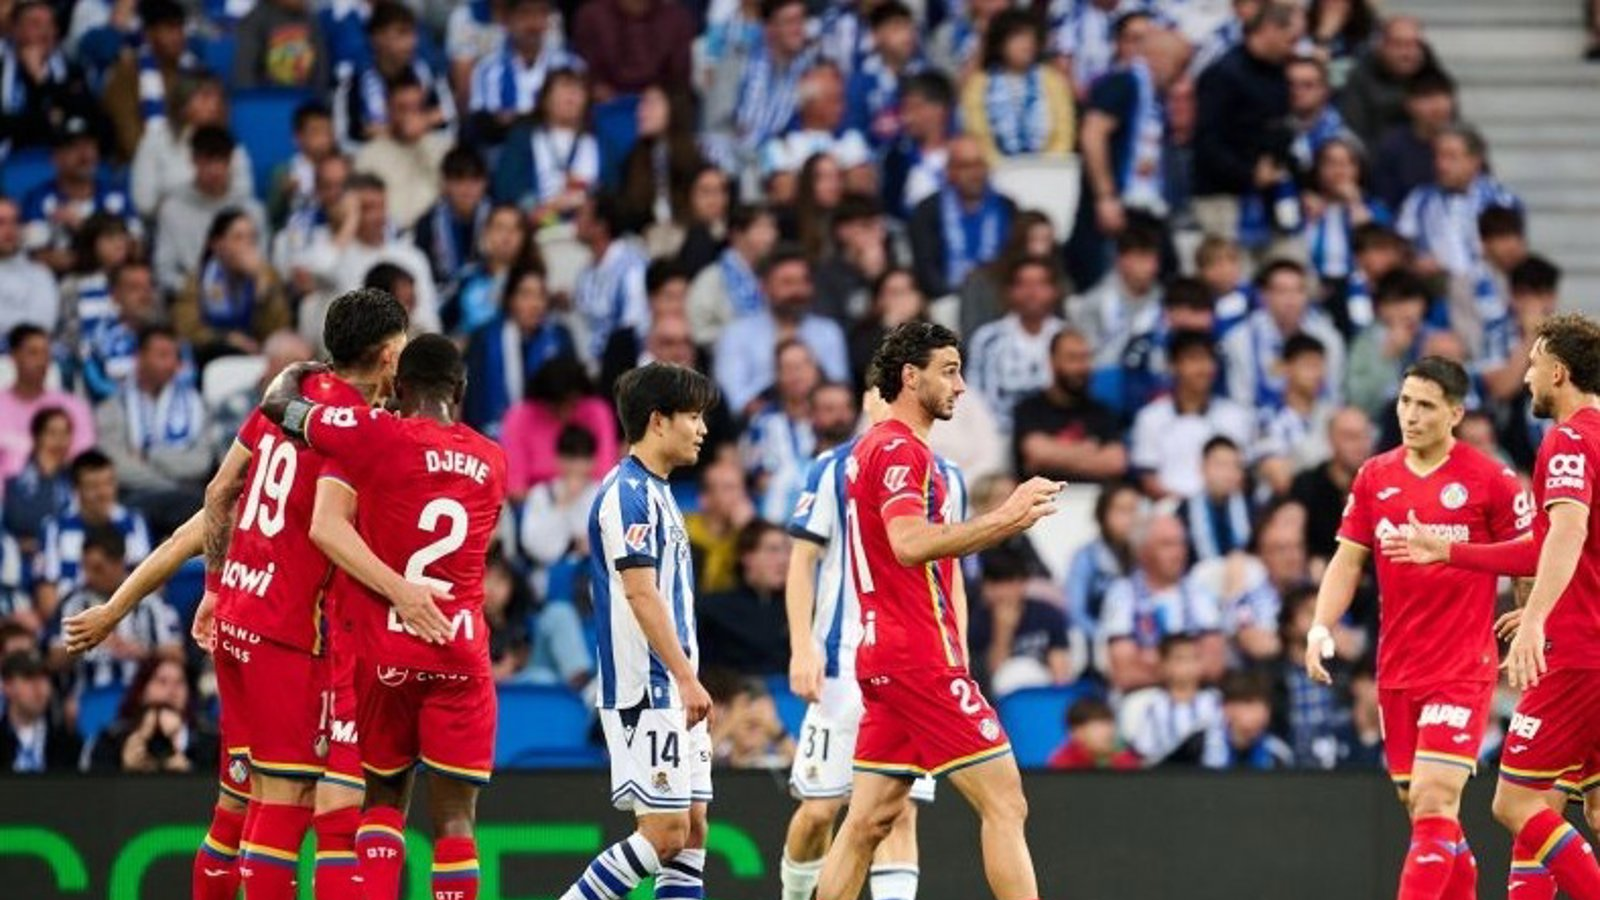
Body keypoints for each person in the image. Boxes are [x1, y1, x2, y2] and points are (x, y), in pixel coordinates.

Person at [814, 321, 1061, 900]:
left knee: (866, 824)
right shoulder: (901, 448)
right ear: (910, 376)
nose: (961, 385)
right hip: (917, 656)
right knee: (1005, 801)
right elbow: (908, 543)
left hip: (882, 655)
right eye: (949, 370)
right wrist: (1007, 517)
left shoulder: (869, 449)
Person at [259, 333, 506, 900]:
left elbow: (279, 405)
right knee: (455, 822)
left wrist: (303, 368)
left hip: (387, 649)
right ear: (461, 390)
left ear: (399, 386)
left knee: (384, 801)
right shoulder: (494, 460)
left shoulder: (378, 436)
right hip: (459, 645)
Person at [182, 288, 410, 900]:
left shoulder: (284, 400)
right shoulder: (362, 428)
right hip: (287, 629)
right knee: (287, 800)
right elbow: (331, 527)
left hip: (233, 611)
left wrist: (212, 585)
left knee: (240, 800)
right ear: (389, 354)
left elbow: (217, 491)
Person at [1383, 315, 1600, 899]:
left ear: (1558, 372)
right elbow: (1543, 545)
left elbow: (1567, 533)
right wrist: (1447, 548)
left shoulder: (1570, 439)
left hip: (1578, 652)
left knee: (1518, 800)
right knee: (1588, 810)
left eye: (1533, 363)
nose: (1526, 376)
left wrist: (1535, 620)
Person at [1306, 356, 1531, 900]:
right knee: (1428, 819)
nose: (1411, 414)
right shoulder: (1376, 476)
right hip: (1398, 669)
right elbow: (1348, 559)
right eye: (1406, 401)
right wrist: (1319, 626)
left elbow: (1528, 555)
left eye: (1426, 405)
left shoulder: (1490, 479)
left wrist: (1531, 617)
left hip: (1462, 668)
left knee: (1434, 799)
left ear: (1454, 413)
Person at [781, 377, 954, 900]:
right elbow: (802, 560)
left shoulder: (944, 475)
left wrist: (954, 654)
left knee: (896, 811)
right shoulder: (836, 466)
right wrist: (802, 646)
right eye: (878, 395)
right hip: (840, 665)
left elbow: (952, 579)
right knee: (818, 810)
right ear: (868, 400)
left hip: (911, 664)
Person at [553, 363, 717, 900]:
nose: (702, 429)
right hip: (648, 687)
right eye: (693, 416)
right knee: (664, 834)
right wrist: (686, 676)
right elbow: (641, 592)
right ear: (658, 420)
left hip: (672, 686)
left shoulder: (661, 492)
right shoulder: (628, 494)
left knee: (692, 833)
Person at [1191, 1, 1297, 241]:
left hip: (1271, 194)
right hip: (1224, 197)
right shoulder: (1223, 74)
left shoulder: (1278, 74)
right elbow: (1207, 139)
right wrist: (1247, 172)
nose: (1291, 47)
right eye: (1287, 38)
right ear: (1269, 29)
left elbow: (1281, 127)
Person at [92, 325, 211, 528]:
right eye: (163, 355)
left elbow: (202, 461)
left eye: (175, 356)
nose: (172, 363)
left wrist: (151, 456)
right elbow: (116, 466)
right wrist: (168, 482)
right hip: (136, 495)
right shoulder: (114, 405)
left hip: (188, 499)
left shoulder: (196, 405)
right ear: (140, 357)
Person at [714, 246, 851, 414]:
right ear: (764, 287)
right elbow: (734, 396)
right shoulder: (736, 334)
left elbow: (839, 388)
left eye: (804, 281)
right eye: (787, 283)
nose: (798, 291)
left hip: (821, 425)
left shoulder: (828, 332)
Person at [1100, 513, 1226, 693]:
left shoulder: (1200, 593)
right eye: (1167, 545)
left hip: (1198, 694)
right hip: (1142, 697)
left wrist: (1153, 662)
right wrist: (1186, 667)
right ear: (1142, 551)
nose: (1178, 552)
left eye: (1181, 543)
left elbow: (1214, 665)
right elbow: (1124, 673)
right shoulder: (1122, 595)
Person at [1130, 330, 1257, 499]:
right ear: (1173, 366)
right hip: (1168, 512)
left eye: (1208, 359)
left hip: (1222, 508)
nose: (1203, 368)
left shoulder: (1236, 416)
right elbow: (1148, 478)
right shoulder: (1150, 417)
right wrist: (1187, 507)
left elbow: (1243, 475)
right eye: (1193, 360)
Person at [172, 209, 293, 364]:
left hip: (259, 356)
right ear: (217, 244)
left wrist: (262, 291)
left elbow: (279, 330)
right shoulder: (199, 279)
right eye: (238, 238)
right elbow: (186, 328)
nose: (246, 245)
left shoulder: (267, 276)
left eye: (252, 238)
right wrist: (226, 338)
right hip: (211, 357)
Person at [965, 256, 1067, 436]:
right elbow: (976, 399)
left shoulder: (1067, 338)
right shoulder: (987, 339)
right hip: (999, 435)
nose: (1032, 292)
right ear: (1009, 291)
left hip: (1057, 436)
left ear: (1054, 291)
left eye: (1040, 284)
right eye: (1023, 284)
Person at [908, 135, 1016, 301]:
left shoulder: (1007, 207)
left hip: (1000, 299)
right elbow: (926, 269)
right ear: (950, 172)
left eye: (979, 165)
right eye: (966, 166)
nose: (975, 174)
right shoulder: (927, 211)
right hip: (944, 300)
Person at [1011, 328, 1126, 484]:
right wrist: (1088, 450)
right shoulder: (1029, 409)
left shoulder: (1102, 412)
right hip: (1043, 501)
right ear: (1052, 362)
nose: (1081, 367)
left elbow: (1115, 462)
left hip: (1094, 500)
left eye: (1085, 358)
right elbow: (1037, 455)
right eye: (1072, 359)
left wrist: (1055, 456)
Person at [961, 8, 1074, 163]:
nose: (1026, 44)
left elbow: (1064, 131)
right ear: (1000, 43)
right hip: (996, 171)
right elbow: (977, 133)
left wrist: (1048, 164)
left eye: (1030, 37)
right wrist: (1001, 165)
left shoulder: (1052, 80)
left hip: (1049, 171)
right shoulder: (978, 85)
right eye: (1018, 37)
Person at [967, 546, 1072, 697]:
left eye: (1010, 581)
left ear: (1023, 583)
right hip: (1002, 701)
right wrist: (1003, 630)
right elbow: (988, 679)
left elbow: (1061, 673)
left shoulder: (1047, 614)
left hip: (1044, 694)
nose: (1004, 591)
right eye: (995, 583)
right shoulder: (977, 622)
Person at [351, 76, 454, 230]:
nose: (410, 116)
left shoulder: (444, 148)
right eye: (402, 108)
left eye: (416, 108)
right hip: (389, 237)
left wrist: (420, 145)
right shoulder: (369, 154)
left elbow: (452, 194)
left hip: (434, 235)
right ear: (388, 109)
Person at [0, 324, 94, 482]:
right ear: (14, 357)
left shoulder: (74, 407)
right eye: (33, 353)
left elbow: (83, 460)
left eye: (46, 353)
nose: (41, 361)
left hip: (62, 494)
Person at [698, 520, 792, 675]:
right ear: (747, 557)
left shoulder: (799, 608)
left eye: (787, 551)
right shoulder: (712, 609)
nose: (783, 560)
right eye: (773, 550)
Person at [0, 651, 81, 773]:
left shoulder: (67, 744)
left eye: (44, 678)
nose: (38, 687)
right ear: (7, 686)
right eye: (29, 678)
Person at [0, 200, 60, 338]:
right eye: (1, 222)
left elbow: (43, 324)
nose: (9, 230)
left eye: (15, 221)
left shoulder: (40, 274)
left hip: (29, 355)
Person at [1045, 696, 1141, 770]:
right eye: (1098, 727)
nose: (1108, 732)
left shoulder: (1125, 760)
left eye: (1109, 724)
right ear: (1077, 732)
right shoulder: (1062, 764)